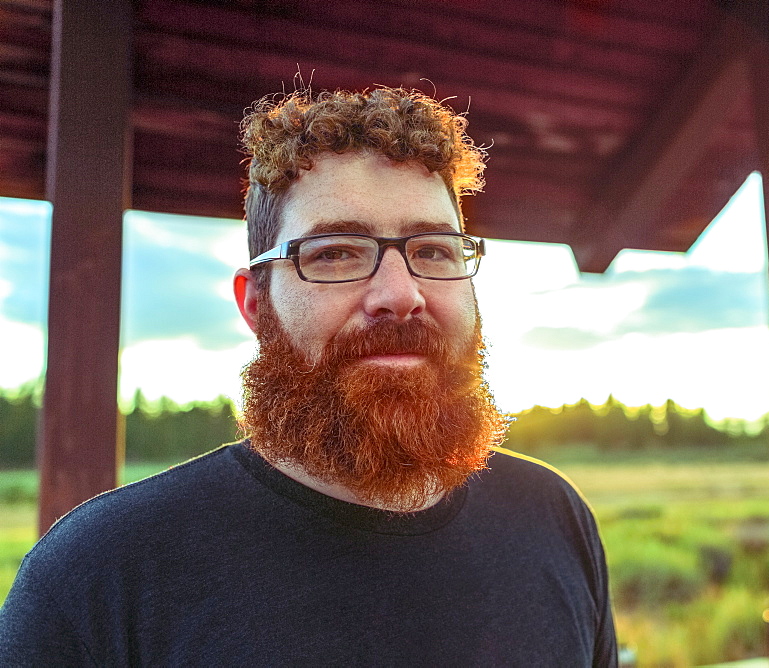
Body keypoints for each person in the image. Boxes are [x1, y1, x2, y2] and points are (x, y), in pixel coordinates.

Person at [0, 87, 617, 666]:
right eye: (336, 253)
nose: (400, 295)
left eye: (433, 250)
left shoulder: (553, 519)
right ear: (256, 303)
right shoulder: (97, 575)